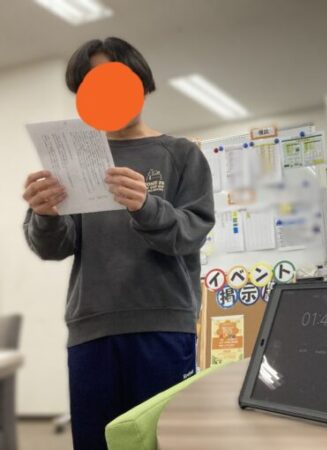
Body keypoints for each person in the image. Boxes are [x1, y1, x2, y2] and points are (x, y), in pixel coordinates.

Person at [22, 37, 215, 450]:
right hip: (91, 327)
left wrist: (147, 206)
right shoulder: (74, 159)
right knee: (97, 442)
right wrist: (45, 214)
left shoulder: (180, 154)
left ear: (140, 82)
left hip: (163, 324)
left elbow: (192, 232)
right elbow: (54, 247)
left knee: (164, 441)